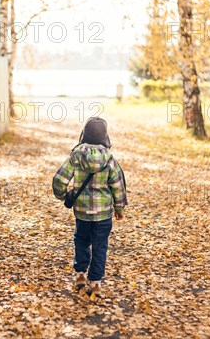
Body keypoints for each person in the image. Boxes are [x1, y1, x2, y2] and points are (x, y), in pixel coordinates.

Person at [52, 117, 128, 297]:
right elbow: (118, 186)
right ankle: (95, 283)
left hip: (82, 213)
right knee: (100, 247)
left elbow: (59, 180)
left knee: (81, 241)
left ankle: (80, 275)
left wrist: (64, 196)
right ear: (105, 137)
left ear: (84, 135)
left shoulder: (76, 156)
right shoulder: (110, 159)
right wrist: (119, 209)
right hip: (103, 215)